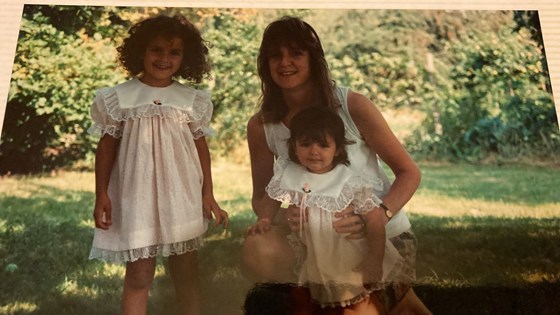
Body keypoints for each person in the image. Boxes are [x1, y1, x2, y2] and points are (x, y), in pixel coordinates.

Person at [242, 16, 431, 314]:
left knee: (360, 310)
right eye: (275, 55)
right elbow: (261, 198)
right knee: (258, 248)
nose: (284, 62)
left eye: (296, 53)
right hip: (313, 241)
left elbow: (410, 172)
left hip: (378, 236)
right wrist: (285, 217)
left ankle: (392, 298)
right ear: (264, 64)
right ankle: (311, 301)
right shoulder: (261, 125)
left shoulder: (351, 105)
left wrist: (377, 217)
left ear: (314, 59)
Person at [88, 15, 228, 315]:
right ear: (141, 51)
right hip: (137, 196)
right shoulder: (119, 98)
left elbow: (200, 147)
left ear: (185, 57)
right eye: (156, 49)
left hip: (182, 194)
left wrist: (207, 194)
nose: (164, 58)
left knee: (186, 271)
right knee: (139, 275)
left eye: (174, 52)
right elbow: (107, 146)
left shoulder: (190, 99)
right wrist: (101, 194)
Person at [252, 106, 410, 312]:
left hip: (349, 257)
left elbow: (374, 220)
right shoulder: (291, 174)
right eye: (305, 144)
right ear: (294, 146)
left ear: (337, 149)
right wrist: (265, 219)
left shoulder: (348, 181)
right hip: (314, 254)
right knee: (307, 303)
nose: (314, 151)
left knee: (357, 306)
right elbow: (272, 198)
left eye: (323, 145)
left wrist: (374, 259)